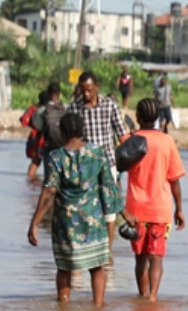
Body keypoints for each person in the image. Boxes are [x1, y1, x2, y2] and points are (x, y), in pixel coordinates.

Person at [27, 112, 125, 306]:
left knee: (64, 268)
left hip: (66, 222)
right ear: (83, 131)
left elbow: (49, 192)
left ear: (62, 133)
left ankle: (63, 309)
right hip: (93, 221)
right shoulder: (98, 153)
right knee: (97, 267)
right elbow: (109, 186)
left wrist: (35, 223)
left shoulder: (56, 156)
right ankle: (98, 308)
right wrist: (125, 214)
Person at [124, 98, 187, 301]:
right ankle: (152, 299)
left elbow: (117, 168)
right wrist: (179, 209)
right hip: (160, 210)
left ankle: (142, 297)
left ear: (138, 117)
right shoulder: (167, 142)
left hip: (135, 211)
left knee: (140, 258)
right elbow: (174, 181)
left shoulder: (129, 141)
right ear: (159, 118)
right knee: (156, 258)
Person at [68, 71, 128, 264]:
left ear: (97, 87)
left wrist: (128, 161)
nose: (86, 94)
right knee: (83, 208)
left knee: (109, 210)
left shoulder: (109, 106)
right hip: (83, 166)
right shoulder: (75, 108)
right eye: (83, 90)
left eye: (89, 90)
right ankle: (85, 247)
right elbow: (70, 138)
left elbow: (121, 132)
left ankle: (106, 251)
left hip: (108, 164)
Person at [20, 90, 49, 178]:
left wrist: (32, 125)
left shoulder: (32, 109)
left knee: (35, 161)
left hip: (33, 136)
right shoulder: (49, 110)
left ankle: (30, 180)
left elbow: (23, 120)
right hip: (45, 138)